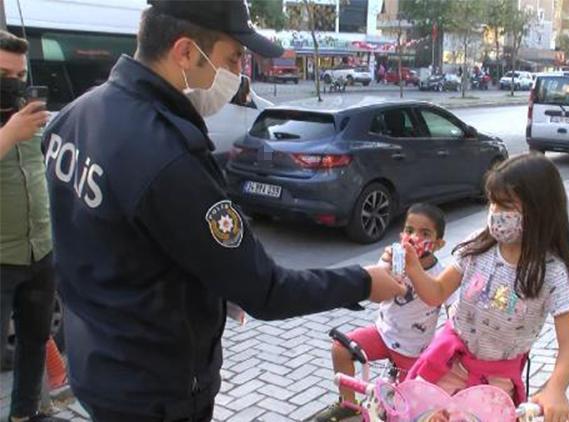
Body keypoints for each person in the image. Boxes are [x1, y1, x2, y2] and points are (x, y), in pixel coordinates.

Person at [40, 1, 405, 421]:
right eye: (232, 58)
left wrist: (215, 278)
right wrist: (362, 282)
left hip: (98, 361)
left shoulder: (76, 115)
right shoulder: (167, 157)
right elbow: (266, 291)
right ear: (186, 52)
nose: (238, 73)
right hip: (156, 388)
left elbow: (114, 241)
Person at [397, 154, 569, 422]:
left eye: (505, 204)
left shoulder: (551, 272)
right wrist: (414, 268)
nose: (496, 212)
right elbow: (436, 293)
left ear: (538, 210)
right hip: (447, 362)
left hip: (494, 383)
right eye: (493, 202)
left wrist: (556, 389)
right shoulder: (478, 247)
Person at [315, 204, 448, 421]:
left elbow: (453, 307)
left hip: (412, 350)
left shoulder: (440, 275)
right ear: (402, 234)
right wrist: (386, 265)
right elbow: (377, 292)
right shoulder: (394, 261)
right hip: (383, 334)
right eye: (410, 230)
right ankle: (349, 405)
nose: (414, 237)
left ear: (439, 244)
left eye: (425, 233)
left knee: (405, 408)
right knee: (340, 348)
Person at [0, 31, 65, 422]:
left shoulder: (29, 112)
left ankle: (24, 416)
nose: (14, 82)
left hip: (39, 250)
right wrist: (8, 135)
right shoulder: (15, 126)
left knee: (34, 340)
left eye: (19, 74)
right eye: (3, 73)